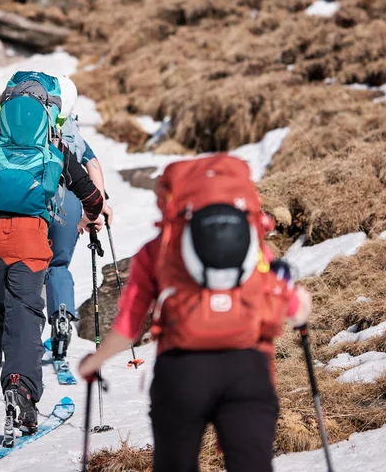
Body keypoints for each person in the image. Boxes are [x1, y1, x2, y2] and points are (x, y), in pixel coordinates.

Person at [78, 154, 313, 472]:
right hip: (248, 369)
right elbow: (296, 307)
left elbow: (127, 327)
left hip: (181, 373)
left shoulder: (159, 249)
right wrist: (300, 311)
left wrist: (94, 362)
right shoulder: (250, 244)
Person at [0, 72, 106, 437]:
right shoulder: (55, 146)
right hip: (31, 240)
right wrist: (91, 218)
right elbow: (92, 197)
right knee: (24, 315)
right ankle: (20, 392)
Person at [46, 76, 114, 363]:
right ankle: (61, 314)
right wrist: (98, 207)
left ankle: (21, 334)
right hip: (72, 200)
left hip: (34, 199)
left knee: (25, 268)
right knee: (57, 264)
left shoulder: (31, 122)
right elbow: (92, 164)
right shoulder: (72, 129)